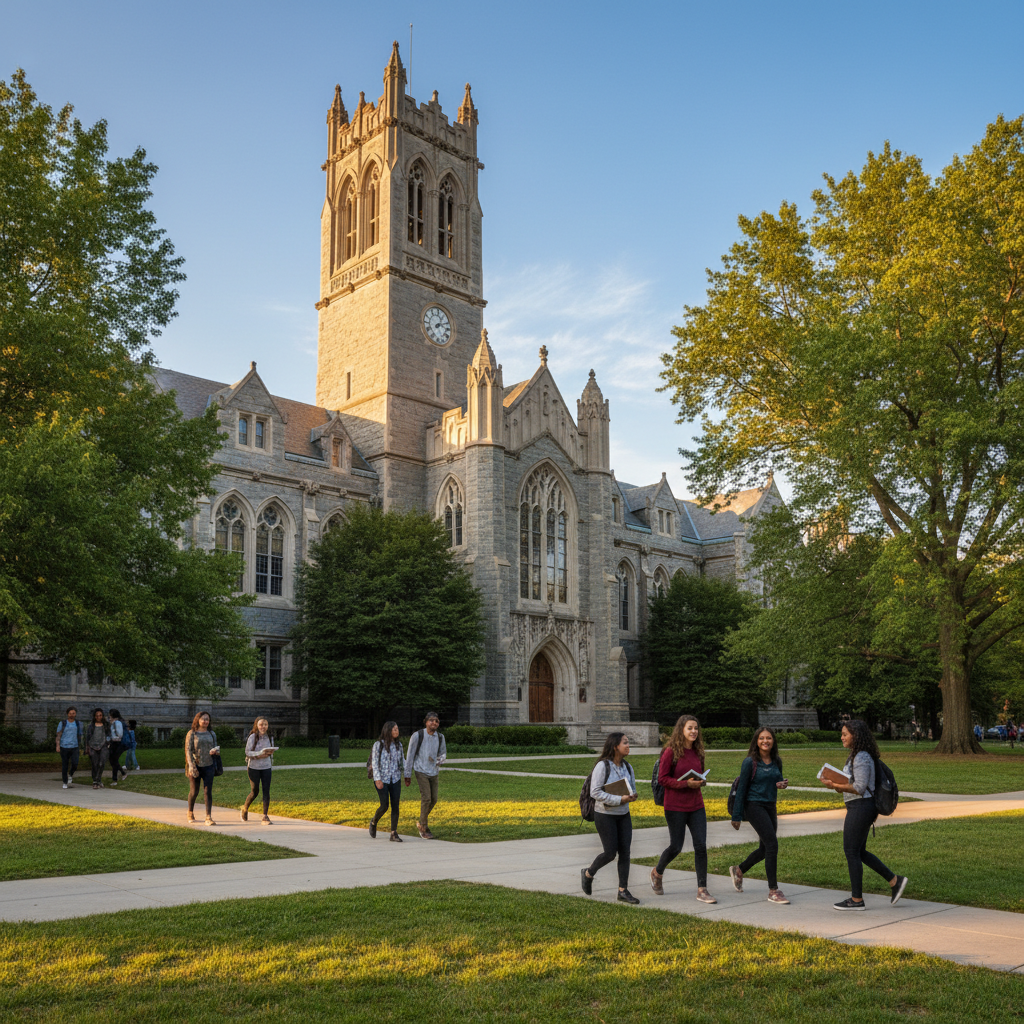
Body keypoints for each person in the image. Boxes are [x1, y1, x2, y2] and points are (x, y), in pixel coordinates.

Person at [821, 719, 908, 910]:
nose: (841, 737)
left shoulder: (861, 756)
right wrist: (835, 784)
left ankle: (857, 900)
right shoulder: (856, 755)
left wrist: (834, 785)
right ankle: (895, 881)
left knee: (851, 851)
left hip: (862, 807)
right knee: (859, 851)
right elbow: (852, 785)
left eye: (845, 734)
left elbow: (859, 788)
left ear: (856, 735)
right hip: (858, 806)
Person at [650, 715, 716, 903]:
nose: (694, 731)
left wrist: (700, 781)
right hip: (675, 806)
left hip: (696, 805)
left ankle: (702, 889)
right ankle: (657, 872)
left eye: (696, 728)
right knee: (676, 846)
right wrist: (685, 784)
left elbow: (699, 775)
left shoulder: (699, 752)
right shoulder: (670, 751)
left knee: (701, 846)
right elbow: (662, 779)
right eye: (690, 728)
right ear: (682, 730)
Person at [728, 726, 791, 904]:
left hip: (770, 805)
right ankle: (773, 890)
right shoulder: (750, 762)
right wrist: (737, 815)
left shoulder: (776, 760)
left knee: (765, 849)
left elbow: (776, 780)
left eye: (769, 738)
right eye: (762, 738)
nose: (765, 741)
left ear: (773, 741)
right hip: (753, 805)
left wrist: (781, 784)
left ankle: (739, 870)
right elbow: (741, 790)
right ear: (756, 741)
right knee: (772, 845)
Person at [581, 732, 640, 905]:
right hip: (605, 815)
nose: (628, 746)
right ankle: (588, 873)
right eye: (625, 743)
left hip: (623, 814)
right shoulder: (602, 766)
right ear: (615, 746)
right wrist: (619, 799)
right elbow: (595, 792)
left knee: (625, 853)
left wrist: (632, 796)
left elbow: (632, 788)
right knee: (609, 853)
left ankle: (623, 890)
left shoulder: (628, 767)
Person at [404, 711, 446, 839]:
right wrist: (407, 774)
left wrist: (440, 760)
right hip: (420, 770)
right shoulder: (417, 736)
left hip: (433, 771)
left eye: (436, 721)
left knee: (434, 799)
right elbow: (410, 755)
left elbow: (443, 753)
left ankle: (422, 820)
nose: (434, 723)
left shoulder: (440, 737)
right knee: (426, 798)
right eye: (431, 720)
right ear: (426, 722)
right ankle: (423, 827)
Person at [370, 720, 405, 842]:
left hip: (395, 779)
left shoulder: (398, 745)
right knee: (384, 805)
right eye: (394, 729)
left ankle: (393, 833)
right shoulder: (378, 745)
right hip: (382, 779)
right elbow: (374, 762)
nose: (397, 731)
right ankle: (374, 821)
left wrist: (406, 775)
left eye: (397, 729)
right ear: (388, 730)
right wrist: (377, 779)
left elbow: (402, 761)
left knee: (395, 806)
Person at [185, 711, 221, 825]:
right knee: (194, 791)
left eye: (207, 719)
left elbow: (216, 748)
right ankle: (190, 812)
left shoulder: (211, 733)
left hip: (209, 765)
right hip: (195, 766)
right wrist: (191, 765)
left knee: (207, 791)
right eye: (203, 719)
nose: (205, 721)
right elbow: (188, 750)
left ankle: (208, 817)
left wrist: (216, 751)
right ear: (198, 720)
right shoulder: (192, 733)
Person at [241, 717, 275, 823]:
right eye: (261, 724)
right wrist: (259, 754)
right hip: (253, 768)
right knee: (255, 791)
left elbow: (272, 749)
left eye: (265, 724)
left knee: (266, 790)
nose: (263, 727)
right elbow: (247, 752)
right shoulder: (252, 737)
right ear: (257, 725)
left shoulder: (270, 737)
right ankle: (245, 808)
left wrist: (270, 753)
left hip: (266, 767)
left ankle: (265, 816)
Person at [55, 706, 83, 789]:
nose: (72, 715)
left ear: (76, 714)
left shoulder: (78, 723)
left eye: (73, 713)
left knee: (75, 763)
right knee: (65, 764)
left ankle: (70, 774)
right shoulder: (63, 723)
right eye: (70, 713)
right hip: (64, 746)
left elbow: (81, 735)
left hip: (75, 746)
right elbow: (58, 735)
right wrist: (57, 745)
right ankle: (65, 782)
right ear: (67, 714)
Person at [85, 708, 108, 789]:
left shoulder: (106, 725)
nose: (99, 717)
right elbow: (87, 737)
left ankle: (98, 779)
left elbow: (109, 735)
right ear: (94, 717)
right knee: (95, 764)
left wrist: (108, 743)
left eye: (100, 715)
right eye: (97, 716)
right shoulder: (91, 726)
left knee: (101, 763)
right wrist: (87, 748)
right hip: (92, 746)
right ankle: (95, 781)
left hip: (103, 746)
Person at [107, 708, 126, 786]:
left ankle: (115, 779)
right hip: (113, 743)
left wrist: (112, 738)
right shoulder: (113, 723)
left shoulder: (117, 723)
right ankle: (122, 773)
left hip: (117, 743)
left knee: (114, 761)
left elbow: (119, 734)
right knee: (113, 760)